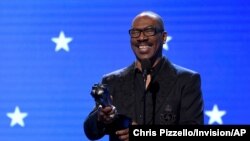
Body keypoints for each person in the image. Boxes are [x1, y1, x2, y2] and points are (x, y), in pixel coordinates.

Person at [83, 11, 204, 141]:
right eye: (135, 32)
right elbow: (91, 132)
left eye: (149, 31)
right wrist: (101, 119)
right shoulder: (113, 81)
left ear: (163, 37)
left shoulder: (186, 80)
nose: (141, 38)